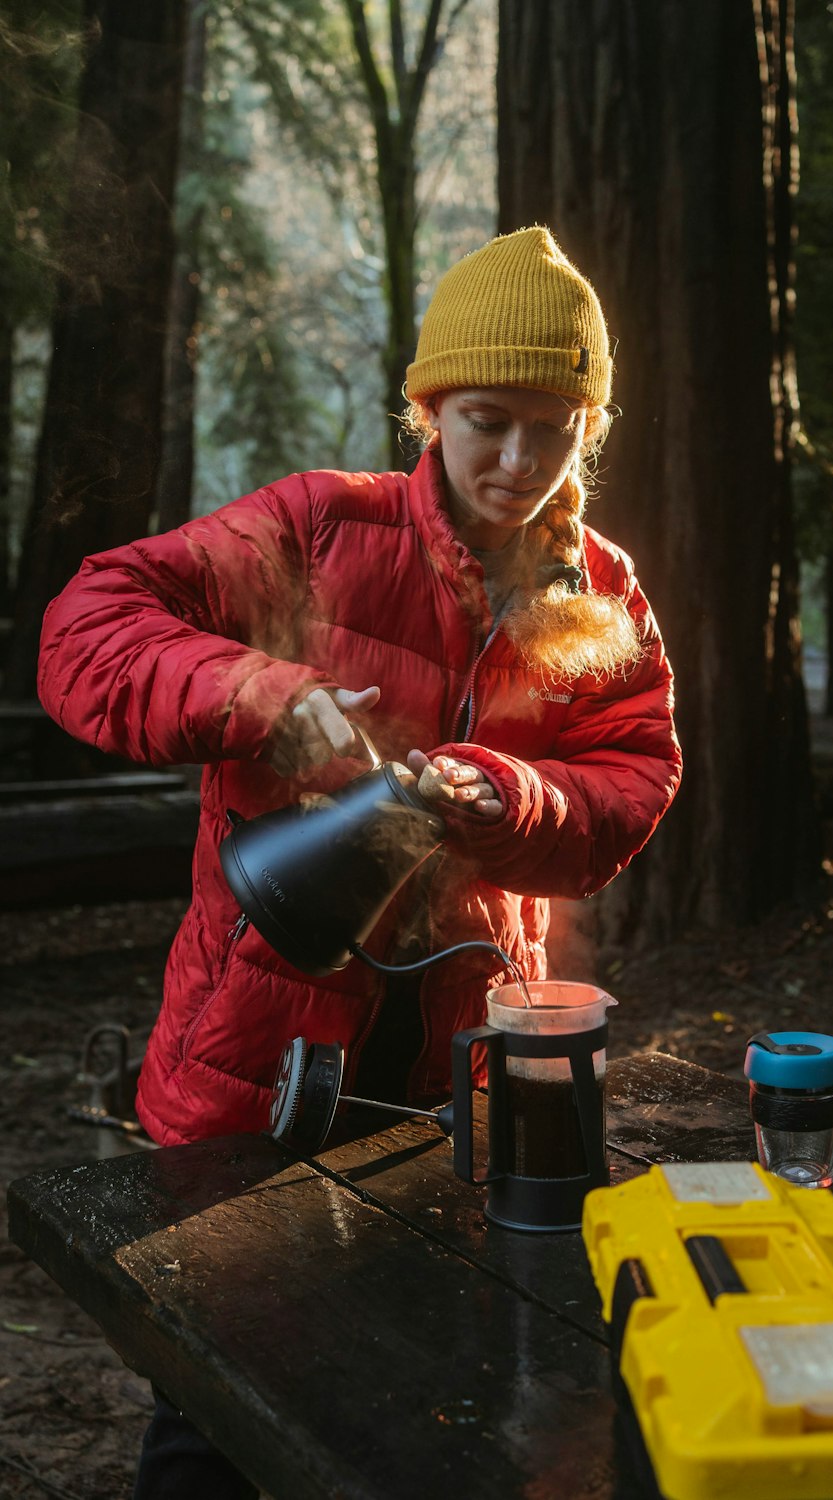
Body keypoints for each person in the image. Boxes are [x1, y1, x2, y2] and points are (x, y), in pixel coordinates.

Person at [37, 225, 682, 1498]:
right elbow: (85, 624)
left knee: (431, 1400)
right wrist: (256, 691)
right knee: (213, 1405)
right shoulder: (318, 529)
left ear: (587, 432)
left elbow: (632, 782)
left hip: (466, 1076)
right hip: (256, 1058)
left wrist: (505, 791)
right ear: (431, 406)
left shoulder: (599, 594)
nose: (519, 461)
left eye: (555, 430)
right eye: (489, 420)